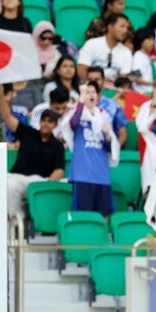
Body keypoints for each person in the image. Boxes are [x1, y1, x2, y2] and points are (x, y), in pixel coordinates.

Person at [0, 86, 65, 224]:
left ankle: (46, 222)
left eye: (50, 121)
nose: (46, 124)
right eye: (44, 120)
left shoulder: (58, 145)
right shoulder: (27, 132)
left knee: (67, 184)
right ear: (40, 122)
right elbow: (6, 116)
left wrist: (48, 186)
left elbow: (59, 170)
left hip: (40, 181)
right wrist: (0, 95)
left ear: (55, 125)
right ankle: (17, 220)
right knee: (9, 184)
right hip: (19, 178)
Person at [61, 81, 119, 216]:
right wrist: (80, 98)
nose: (91, 95)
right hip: (83, 175)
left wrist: (107, 135)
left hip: (101, 175)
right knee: (82, 215)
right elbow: (73, 123)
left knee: (104, 215)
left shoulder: (103, 117)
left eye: (94, 92)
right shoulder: (76, 114)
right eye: (88, 92)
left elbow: (110, 148)